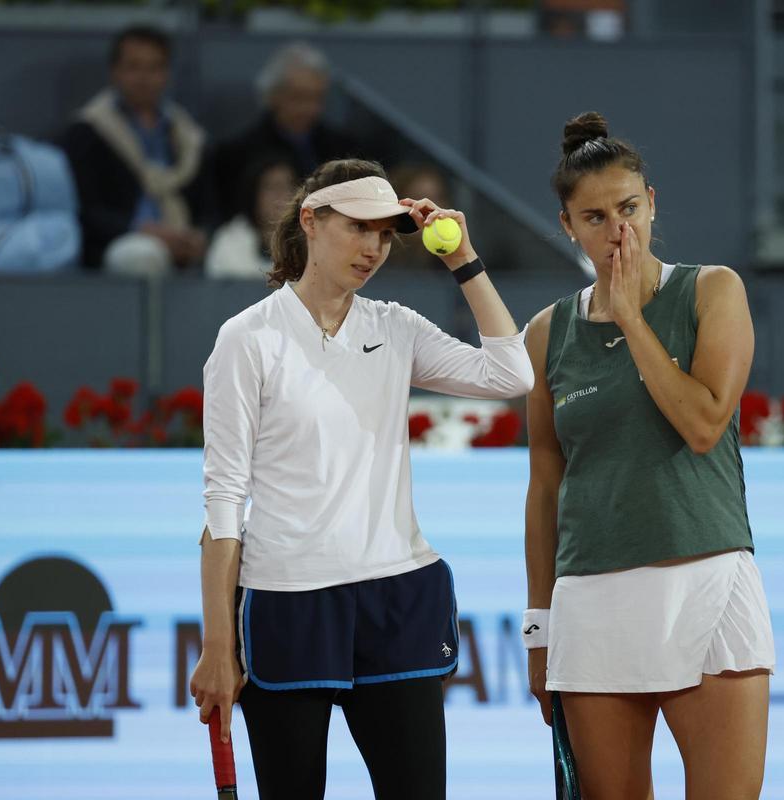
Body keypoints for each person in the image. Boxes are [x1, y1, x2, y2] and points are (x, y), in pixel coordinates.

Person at [189, 158, 533, 799]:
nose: (374, 248)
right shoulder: (247, 339)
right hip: (288, 601)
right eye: (359, 228)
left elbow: (510, 376)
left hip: (397, 596)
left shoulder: (395, 327)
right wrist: (217, 644)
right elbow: (223, 498)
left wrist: (465, 262)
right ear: (311, 221)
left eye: (385, 234)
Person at [521, 112, 776, 800]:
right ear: (567, 226)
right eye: (595, 217)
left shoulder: (712, 291)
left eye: (629, 208)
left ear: (652, 203)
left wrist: (631, 316)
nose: (618, 231)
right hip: (591, 599)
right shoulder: (547, 334)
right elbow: (545, 487)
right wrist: (538, 629)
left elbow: (702, 423)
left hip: (708, 579)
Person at [62, 25, 209, 274]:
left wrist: (199, 236)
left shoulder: (188, 134)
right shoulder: (89, 131)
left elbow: (208, 205)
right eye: (134, 67)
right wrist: (143, 230)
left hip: (180, 238)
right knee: (142, 256)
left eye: (154, 68)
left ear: (166, 73)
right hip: (122, 242)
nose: (144, 77)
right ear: (115, 72)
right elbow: (85, 210)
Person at [211, 43, 360, 223]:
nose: (310, 109)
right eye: (300, 97)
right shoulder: (238, 154)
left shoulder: (345, 150)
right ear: (273, 95)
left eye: (317, 98)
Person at [205, 154, 297, 280]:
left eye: (287, 187)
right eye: (271, 187)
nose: (280, 194)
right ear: (254, 194)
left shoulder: (314, 242)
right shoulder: (229, 242)